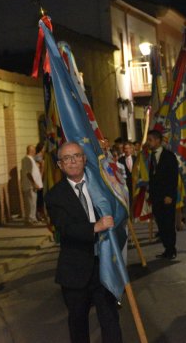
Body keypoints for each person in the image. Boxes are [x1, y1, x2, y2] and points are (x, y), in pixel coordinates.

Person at [45, 142, 122, 343]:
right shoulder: (55, 196)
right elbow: (65, 229)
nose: (73, 161)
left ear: (84, 159)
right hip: (75, 270)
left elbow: (119, 203)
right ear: (60, 165)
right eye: (67, 158)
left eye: (77, 156)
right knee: (78, 324)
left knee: (111, 319)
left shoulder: (101, 186)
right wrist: (95, 227)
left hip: (103, 265)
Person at [147, 129, 179, 259]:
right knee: (160, 223)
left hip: (167, 197)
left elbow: (173, 177)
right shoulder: (151, 157)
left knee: (168, 224)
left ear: (158, 140)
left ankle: (171, 249)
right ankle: (167, 248)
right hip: (156, 197)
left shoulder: (169, 156)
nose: (148, 143)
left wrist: (170, 195)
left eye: (150, 140)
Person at [21, 144, 44, 225]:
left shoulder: (31, 159)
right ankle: (30, 219)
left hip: (32, 185)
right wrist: (34, 183)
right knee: (31, 203)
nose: (35, 152)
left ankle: (31, 219)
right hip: (30, 185)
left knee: (32, 203)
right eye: (34, 150)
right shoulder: (27, 159)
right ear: (31, 151)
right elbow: (28, 173)